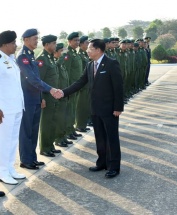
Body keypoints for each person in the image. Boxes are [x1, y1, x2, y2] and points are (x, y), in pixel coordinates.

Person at [55, 39, 124, 178]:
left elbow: (118, 87)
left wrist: (118, 107)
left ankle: (114, 166)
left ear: (98, 50)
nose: (87, 50)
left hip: (110, 109)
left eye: (90, 48)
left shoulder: (111, 64)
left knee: (111, 138)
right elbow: (80, 82)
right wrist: (63, 92)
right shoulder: (90, 65)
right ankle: (102, 162)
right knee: (100, 137)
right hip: (95, 108)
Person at [17, 29, 57, 169]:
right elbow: (32, 79)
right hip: (26, 100)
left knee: (33, 132)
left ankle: (32, 158)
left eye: (37, 38)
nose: (37, 41)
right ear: (26, 40)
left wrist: (41, 98)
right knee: (26, 131)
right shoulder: (22, 57)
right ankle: (25, 160)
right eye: (35, 38)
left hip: (35, 99)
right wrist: (50, 89)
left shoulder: (31, 56)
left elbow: (37, 79)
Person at [0, 30, 26, 185]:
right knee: (4, 141)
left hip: (16, 107)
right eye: (13, 43)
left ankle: (10, 168)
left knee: (12, 140)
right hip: (5, 110)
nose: (15, 46)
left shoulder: (10, 59)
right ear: (4, 44)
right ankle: (2, 171)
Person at [36, 34, 62, 157]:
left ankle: (50, 145)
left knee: (53, 121)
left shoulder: (51, 58)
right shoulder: (42, 59)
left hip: (54, 96)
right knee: (46, 122)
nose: (55, 46)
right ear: (47, 45)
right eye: (53, 44)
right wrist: (41, 97)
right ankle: (44, 148)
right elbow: (38, 80)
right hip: (46, 96)